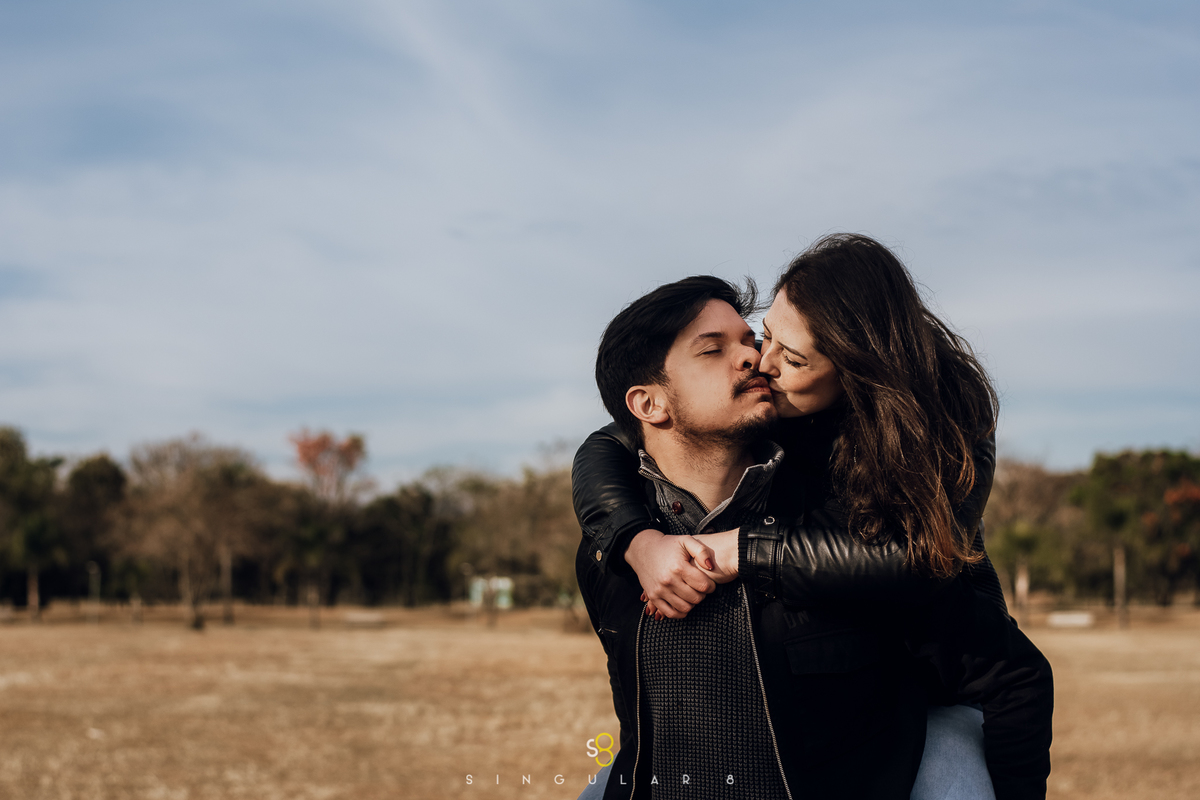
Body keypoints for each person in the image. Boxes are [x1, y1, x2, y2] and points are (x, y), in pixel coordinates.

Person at [574, 236, 1052, 800]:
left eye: (773, 349)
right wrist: (634, 539)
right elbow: (605, 444)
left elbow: (930, 581)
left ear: (850, 369)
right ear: (648, 405)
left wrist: (746, 551)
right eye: (717, 348)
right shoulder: (612, 554)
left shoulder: (873, 502)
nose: (756, 357)